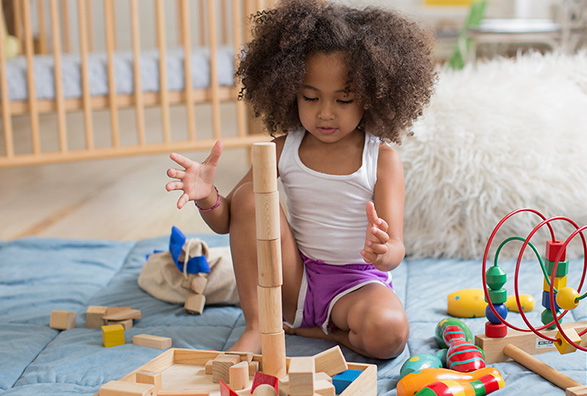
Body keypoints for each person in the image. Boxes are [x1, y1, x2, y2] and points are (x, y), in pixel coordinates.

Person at [165, 0, 435, 359]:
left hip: (357, 285)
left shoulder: (382, 159)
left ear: (370, 97)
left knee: (390, 334)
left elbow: (396, 249)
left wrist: (383, 251)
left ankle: (323, 331)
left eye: (343, 99)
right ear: (290, 90)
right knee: (249, 195)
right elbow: (229, 220)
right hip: (294, 280)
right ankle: (259, 326)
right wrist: (206, 196)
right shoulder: (282, 148)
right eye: (310, 97)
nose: (325, 112)